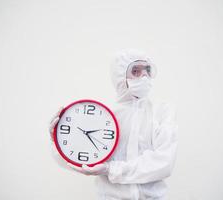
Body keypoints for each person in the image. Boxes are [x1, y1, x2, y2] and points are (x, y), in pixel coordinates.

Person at [49, 49, 178, 200]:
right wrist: (58, 140)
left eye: (147, 70)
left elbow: (164, 163)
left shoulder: (161, 111)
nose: (144, 76)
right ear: (120, 76)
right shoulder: (104, 114)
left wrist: (111, 169)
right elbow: (78, 157)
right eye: (135, 71)